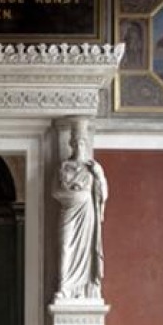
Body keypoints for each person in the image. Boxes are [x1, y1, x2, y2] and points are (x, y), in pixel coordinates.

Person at [54, 121, 108, 301]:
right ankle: (65, 287)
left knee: (85, 248)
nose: (79, 146)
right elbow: (54, 192)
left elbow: (103, 194)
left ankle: (84, 288)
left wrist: (99, 174)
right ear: (71, 144)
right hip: (69, 211)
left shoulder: (92, 168)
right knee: (64, 246)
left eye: (82, 142)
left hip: (87, 213)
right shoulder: (63, 167)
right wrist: (71, 193)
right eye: (76, 142)